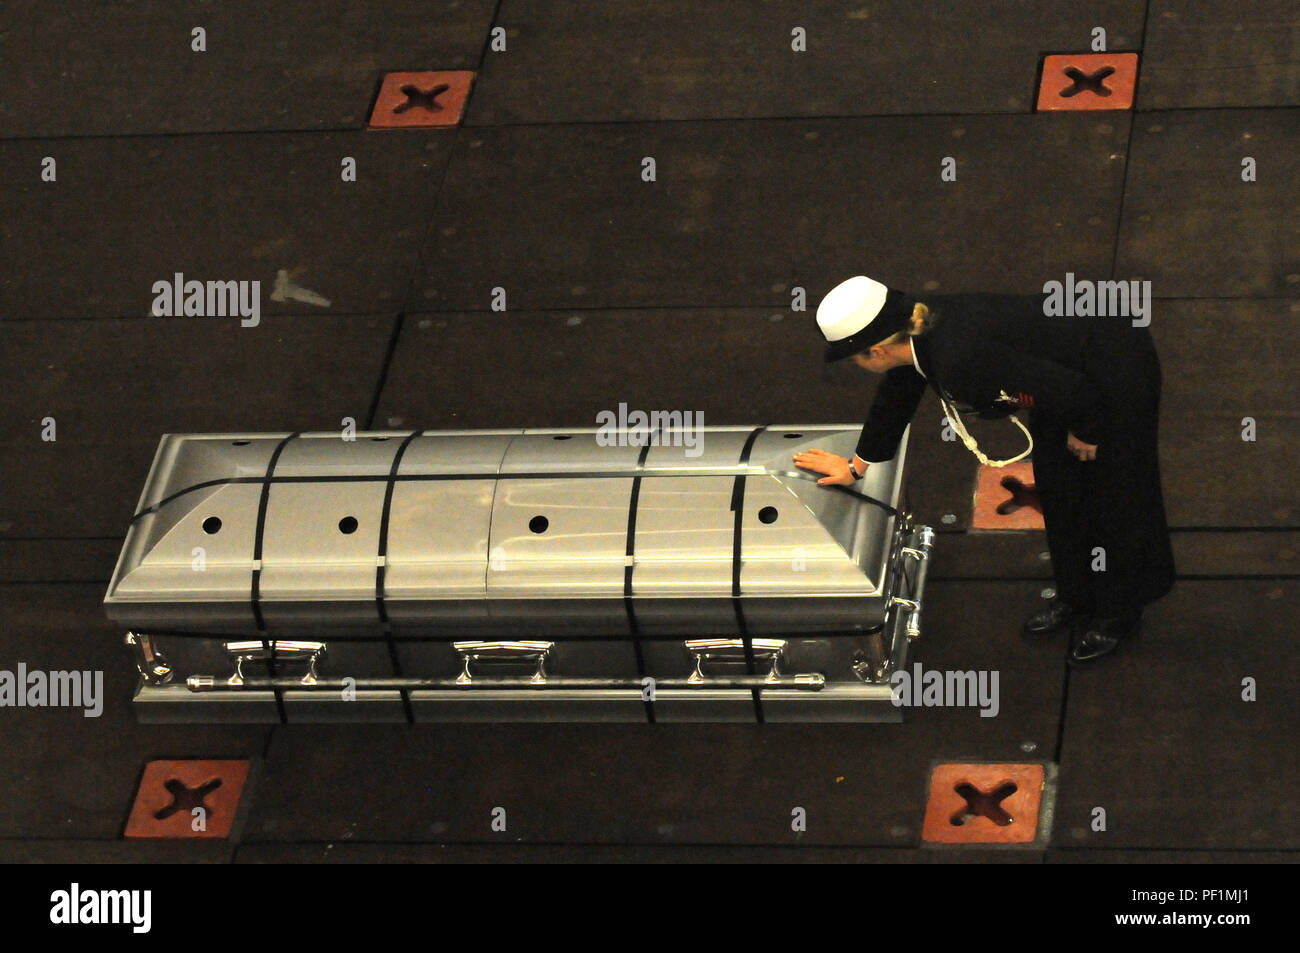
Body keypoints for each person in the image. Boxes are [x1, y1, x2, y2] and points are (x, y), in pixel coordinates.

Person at [795, 275, 1174, 664]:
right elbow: (897, 396)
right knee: (1060, 492)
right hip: (1057, 375)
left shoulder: (960, 358)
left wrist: (1087, 432)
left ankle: (1117, 613)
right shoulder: (916, 326)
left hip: (1112, 368)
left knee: (1116, 498)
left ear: (876, 351)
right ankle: (1077, 596)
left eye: (856, 359)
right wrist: (857, 466)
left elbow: (1072, 392)